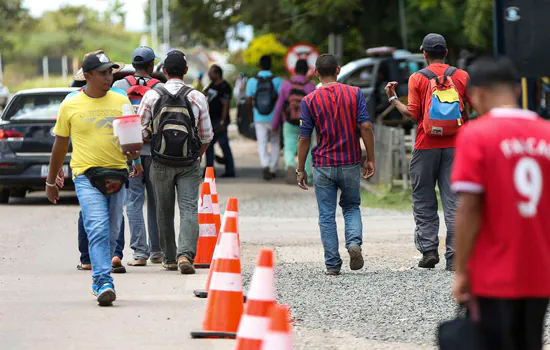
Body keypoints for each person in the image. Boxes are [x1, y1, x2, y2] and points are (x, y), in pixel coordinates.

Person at [451, 56, 550, 350]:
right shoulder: (546, 134)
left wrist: (461, 270)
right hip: (540, 269)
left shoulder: (476, 135)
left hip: (492, 272)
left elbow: (469, 207)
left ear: (476, 94)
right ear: (516, 90)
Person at [46, 51, 139, 306]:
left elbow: (130, 141)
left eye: (111, 72)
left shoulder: (121, 101)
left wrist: (135, 157)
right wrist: (51, 181)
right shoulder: (70, 105)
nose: (109, 77)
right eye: (103, 73)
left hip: (117, 175)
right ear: (87, 76)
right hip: (86, 176)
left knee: (111, 232)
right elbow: (60, 146)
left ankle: (100, 276)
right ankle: (103, 281)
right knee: (97, 228)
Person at [385, 33, 472, 270]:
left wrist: (393, 99)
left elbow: (413, 114)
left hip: (425, 146)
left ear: (424, 53)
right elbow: (473, 108)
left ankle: (429, 251)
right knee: (454, 200)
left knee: (423, 198)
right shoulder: (462, 76)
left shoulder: (418, 78)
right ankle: (454, 256)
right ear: (446, 52)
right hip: (456, 147)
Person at [297, 54, 375, 275]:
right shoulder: (354, 93)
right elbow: (366, 126)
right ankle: (354, 243)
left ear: (316, 73)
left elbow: (304, 138)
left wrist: (301, 169)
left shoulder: (309, 100)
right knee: (351, 206)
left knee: (326, 215)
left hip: (322, 164)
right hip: (350, 161)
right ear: (339, 70)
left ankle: (332, 264)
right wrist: (370, 158)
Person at [138, 50, 213, 274]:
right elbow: (207, 135)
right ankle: (185, 255)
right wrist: (196, 155)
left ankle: (170, 258)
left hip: (159, 161)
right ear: (186, 71)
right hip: (188, 162)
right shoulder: (197, 96)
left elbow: (140, 130)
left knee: (163, 209)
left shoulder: (152, 95)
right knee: (190, 208)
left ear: (163, 71)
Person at [112, 46, 164, 266]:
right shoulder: (161, 88)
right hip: (155, 152)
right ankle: (157, 251)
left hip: (129, 151)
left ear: (134, 65)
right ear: (151, 65)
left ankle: (139, 253)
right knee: (156, 201)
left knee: (133, 201)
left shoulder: (118, 86)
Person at [272, 59, 316, 184]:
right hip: (307, 123)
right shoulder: (310, 86)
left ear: (295, 69)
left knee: (289, 147)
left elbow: (279, 105)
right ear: (307, 71)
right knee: (306, 148)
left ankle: (290, 165)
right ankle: (307, 173)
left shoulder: (286, 84)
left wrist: (275, 124)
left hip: (289, 121)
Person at [246, 55, 283, 180]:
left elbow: (249, 100)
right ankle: (273, 168)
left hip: (258, 117)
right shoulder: (278, 80)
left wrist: (251, 118)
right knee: (275, 142)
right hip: (274, 118)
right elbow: (281, 101)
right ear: (271, 66)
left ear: (259, 66)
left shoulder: (252, 81)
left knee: (262, 143)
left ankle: (265, 164)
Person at [204, 64, 236, 177]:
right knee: (208, 145)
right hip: (211, 119)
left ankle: (230, 170)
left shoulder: (225, 86)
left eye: (211, 72)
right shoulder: (212, 85)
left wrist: (222, 122)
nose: (208, 74)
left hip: (220, 120)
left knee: (223, 144)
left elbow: (225, 105)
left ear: (217, 74)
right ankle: (209, 170)